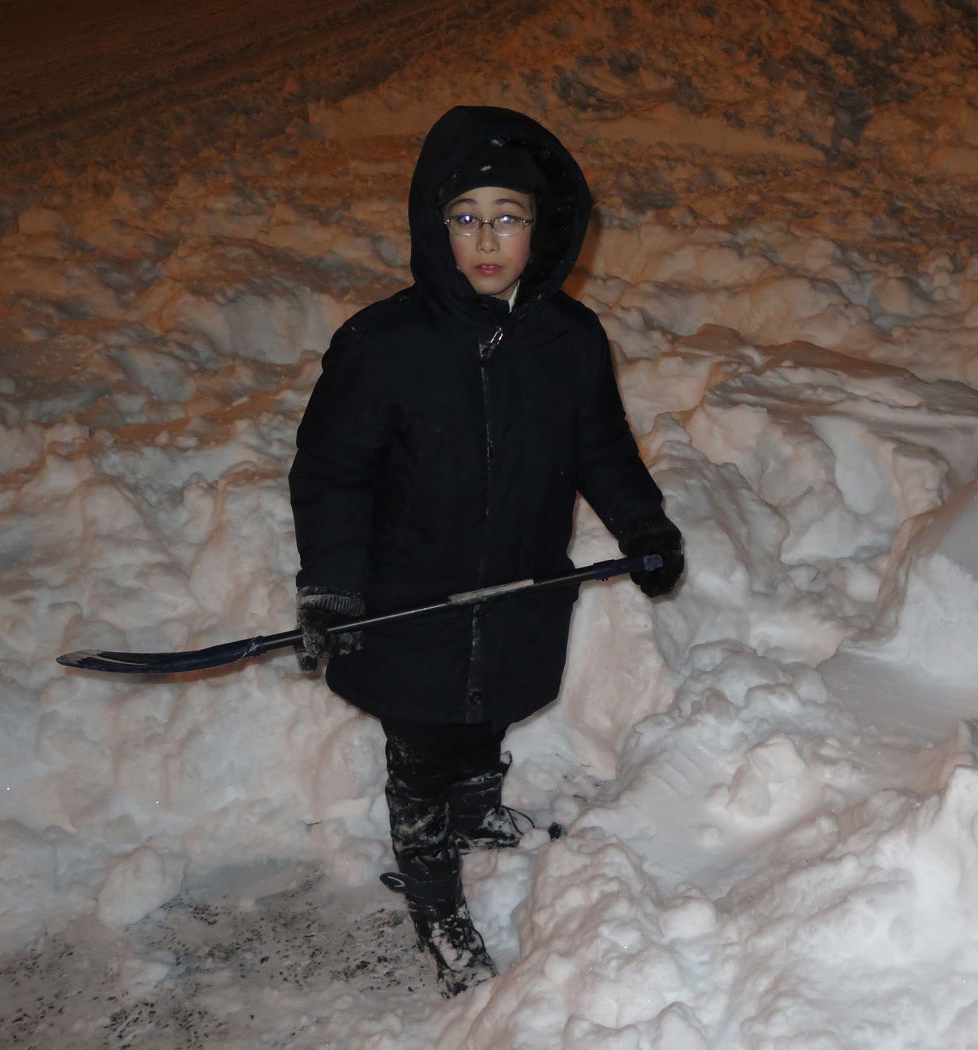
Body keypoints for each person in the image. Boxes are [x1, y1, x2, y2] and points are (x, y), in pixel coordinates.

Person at [287, 106, 683, 997]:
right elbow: (331, 478)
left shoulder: (569, 341)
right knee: (421, 746)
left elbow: (601, 449)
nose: (487, 239)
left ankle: (478, 808)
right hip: (408, 601)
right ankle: (434, 897)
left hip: (517, 588)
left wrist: (644, 525)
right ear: (436, 226)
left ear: (541, 228)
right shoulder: (382, 347)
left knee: (489, 711)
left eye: (508, 215)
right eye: (465, 217)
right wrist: (332, 589)